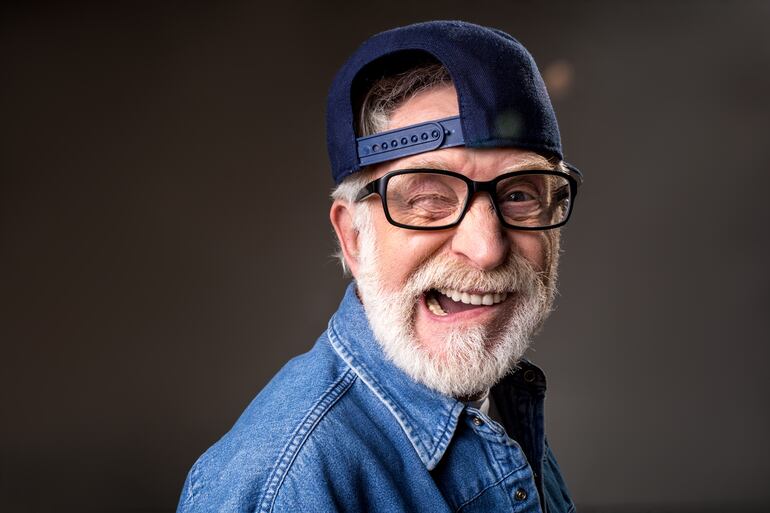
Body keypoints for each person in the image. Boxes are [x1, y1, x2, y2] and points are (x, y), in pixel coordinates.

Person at [177, 20, 582, 513]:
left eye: (519, 194)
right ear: (352, 237)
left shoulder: (496, 400)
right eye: (429, 198)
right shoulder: (285, 487)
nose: (487, 248)